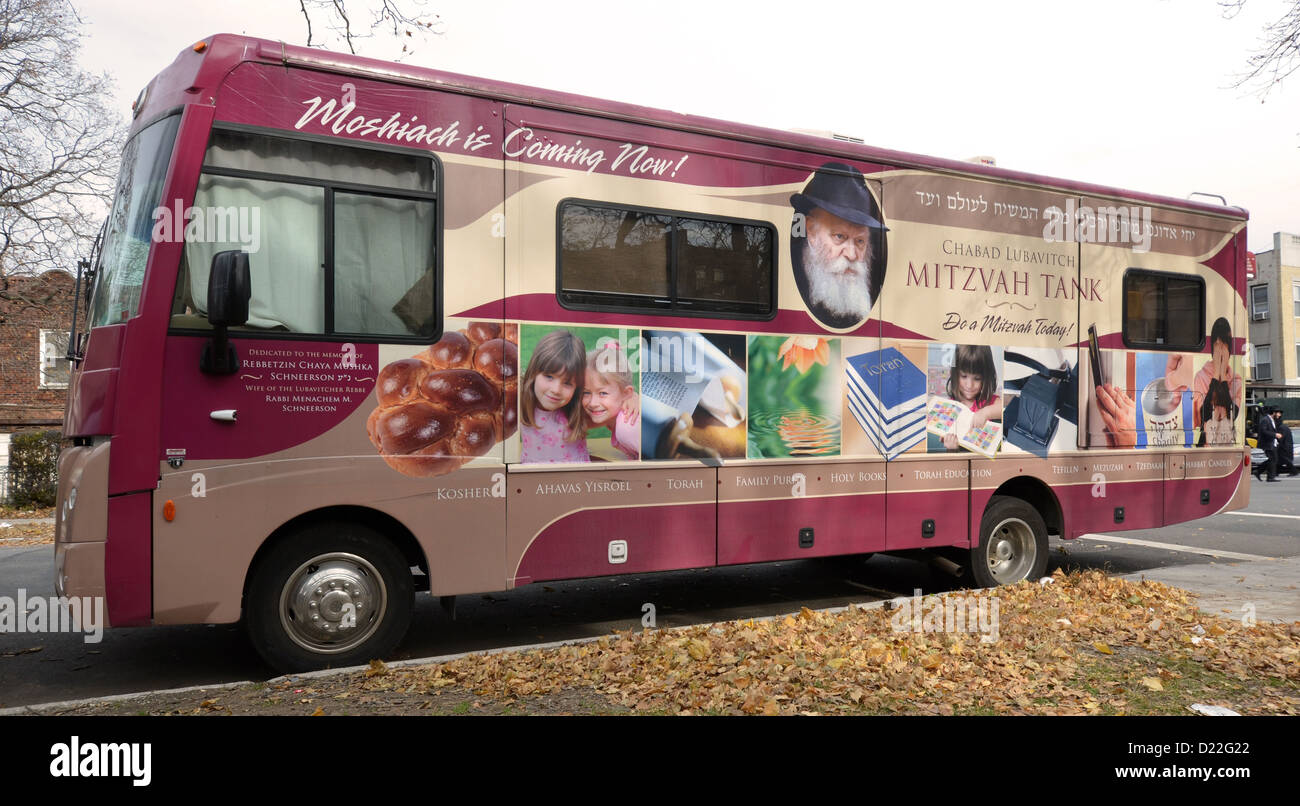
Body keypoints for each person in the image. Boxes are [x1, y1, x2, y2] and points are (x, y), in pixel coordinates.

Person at [789, 162, 887, 329]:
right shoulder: (793, 282)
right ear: (812, 231)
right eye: (840, 236)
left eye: (860, 241)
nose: (852, 254)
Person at [519, 330, 590, 464]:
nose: (556, 390)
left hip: (577, 478)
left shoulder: (579, 405)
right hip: (535, 478)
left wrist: (632, 399)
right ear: (534, 372)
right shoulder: (520, 399)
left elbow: (612, 397)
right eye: (549, 376)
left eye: (567, 383)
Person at [935, 344, 1003, 451]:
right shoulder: (951, 407)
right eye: (964, 376)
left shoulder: (987, 401)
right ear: (955, 374)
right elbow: (953, 461)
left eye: (977, 378)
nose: (969, 385)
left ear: (986, 378)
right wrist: (952, 448)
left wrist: (985, 413)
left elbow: (1003, 408)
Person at [582, 340, 641, 460]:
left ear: (626, 393)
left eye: (603, 393)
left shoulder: (627, 429)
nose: (593, 403)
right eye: (586, 392)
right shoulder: (614, 413)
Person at [1186, 318, 1243, 429]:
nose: (1221, 350)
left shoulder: (1236, 379)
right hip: (1207, 440)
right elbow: (1205, 415)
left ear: (1229, 348)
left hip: (1227, 440)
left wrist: (1223, 376)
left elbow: (1232, 415)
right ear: (1212, 347)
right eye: (1217, 344)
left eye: (1224, 344)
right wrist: (1216, 375)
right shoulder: (1201, 377)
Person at [1255, 405, 1278, 481]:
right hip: (1267, 443)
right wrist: (1275, 435)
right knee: (1272, 459)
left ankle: (1259, 472)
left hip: (1272, 443)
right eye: (1276, 412)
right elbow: (1264, 431)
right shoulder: (1265, 420)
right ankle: (1269, 477)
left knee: (1273, 459)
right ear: (1273, 413)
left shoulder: (1271, 420)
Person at [1274, 410, 1296, 477]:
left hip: (1284, 447)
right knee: (1279, 460)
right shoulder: (1284, 427)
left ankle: (1294, 471)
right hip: (1286, 446)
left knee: (1284, 459)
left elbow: (1281, 438)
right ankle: (1276, 472)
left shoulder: (1281, 428)